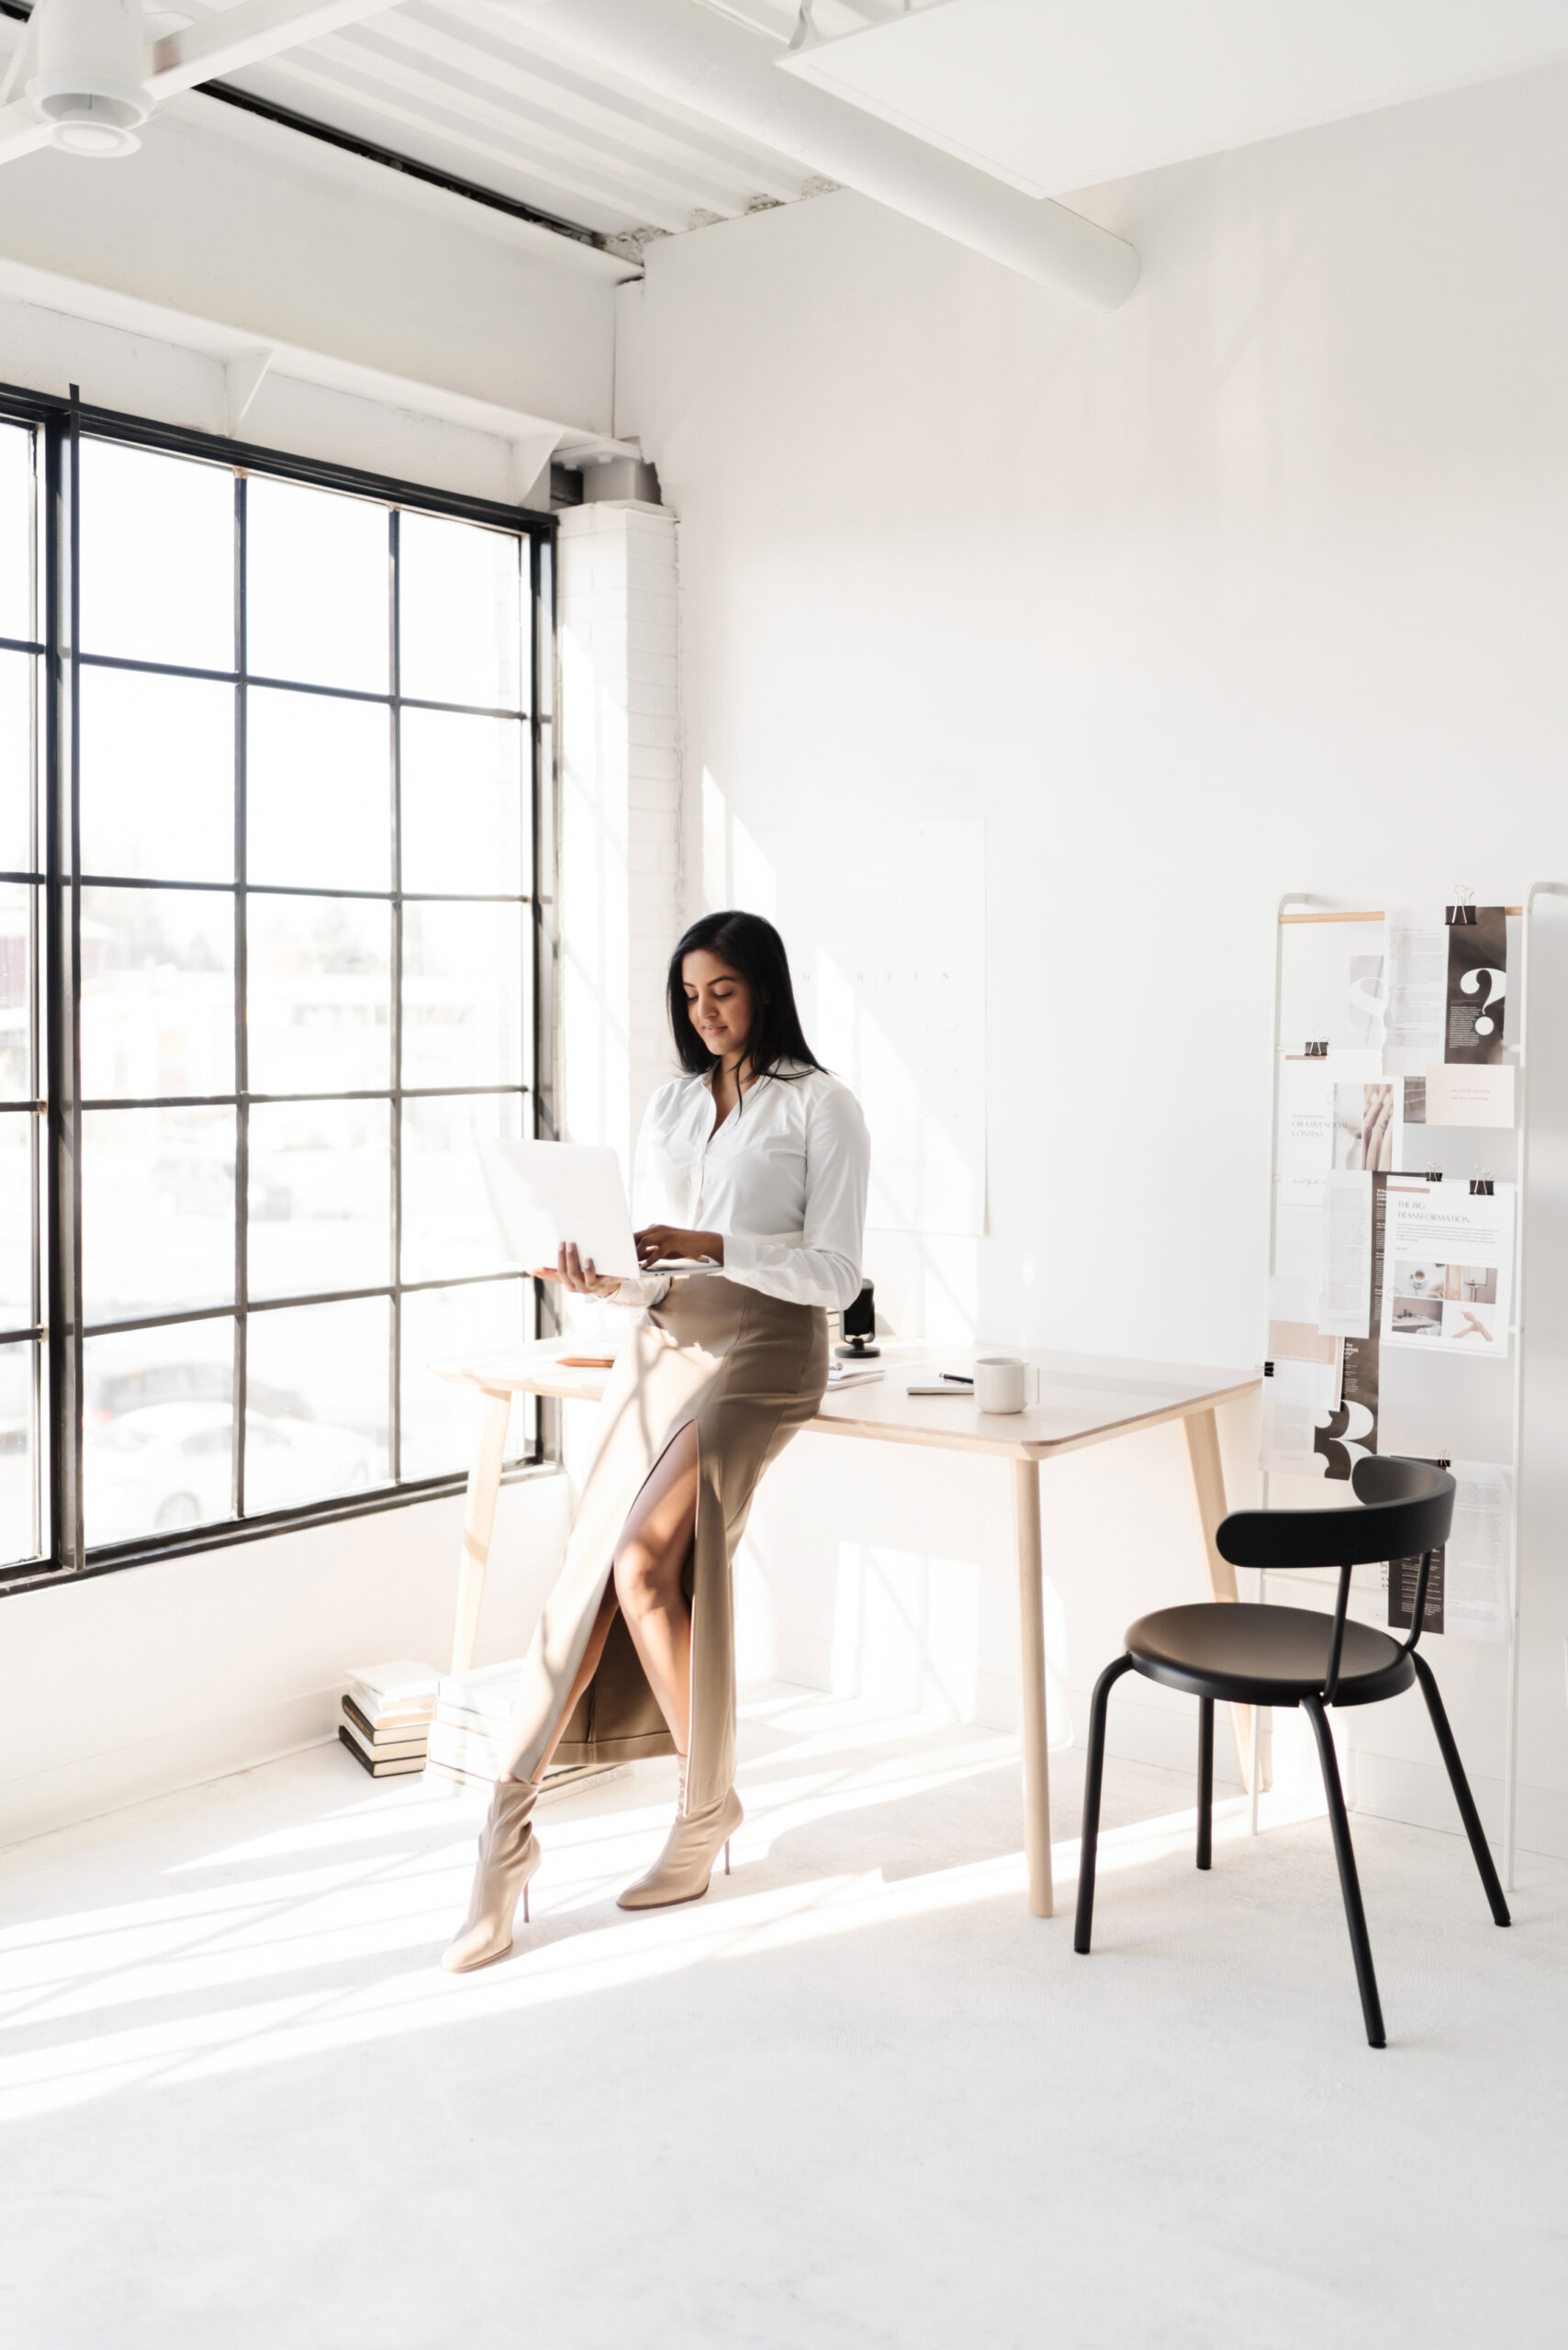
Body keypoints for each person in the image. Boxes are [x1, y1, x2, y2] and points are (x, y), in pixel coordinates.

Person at [442, 910, 870, 1971]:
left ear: (764, 986)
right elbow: (658, 1270)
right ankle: (503, 1838)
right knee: (584, 1579)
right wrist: (602, 1281)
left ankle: (703, 1807)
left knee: (643, 1563)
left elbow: (835, 1274)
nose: (703, 1011)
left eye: (721, 989)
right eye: (689, 994)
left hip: (768, 1350)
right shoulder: (673, 1105)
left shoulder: (823, 1107)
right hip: (663, 1340)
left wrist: (714, 1242)